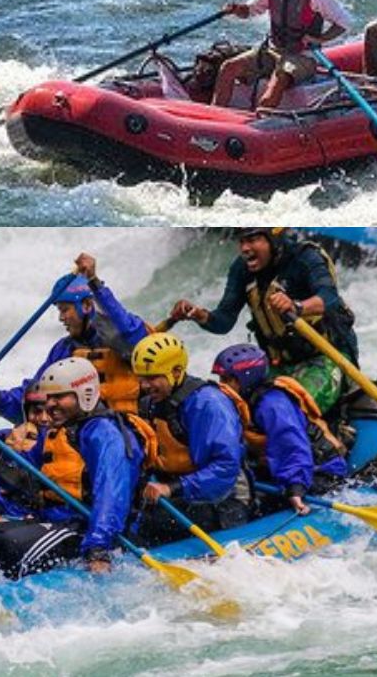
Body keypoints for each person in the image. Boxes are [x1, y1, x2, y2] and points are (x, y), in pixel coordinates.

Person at [168, 228, 358, 418]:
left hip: (325, 357)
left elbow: (329, 297)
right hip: (278, 362)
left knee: (287, 413)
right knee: (236, 407)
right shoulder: (241, 269)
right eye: (242, 241)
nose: (245, 248)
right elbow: (223, 322)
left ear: (274, 239)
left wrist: (297, 306)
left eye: (253, 240)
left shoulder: (305, 258)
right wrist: (199, 315)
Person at [0, 252, 151, 422]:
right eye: (59, 311)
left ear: (87, 306)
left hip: (127, 431)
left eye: (65, 309)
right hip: (82, 434)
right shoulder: (64, 350)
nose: (61, 318)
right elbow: (34, 397)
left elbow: (134, 334)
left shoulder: (122, 337)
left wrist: (94, 282)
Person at [17, 357, 153, 574]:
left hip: (86, 530)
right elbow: (26, 471)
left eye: (59, 396)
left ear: (84, 394)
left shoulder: (106, 434)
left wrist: (98, 548)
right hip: (56, 520)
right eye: (49, 397)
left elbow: (111, 493)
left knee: (7, 545)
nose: (50, 404)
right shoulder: (57, 430)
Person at [131, 333, 250, 543]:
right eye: (141, 378)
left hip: (223, 499)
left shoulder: (209, 404)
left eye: (152, 378)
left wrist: (173, 488)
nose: (145, 386)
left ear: (177, 372)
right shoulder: (151, 402)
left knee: (150, 525)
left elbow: (225, 467)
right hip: (178, 492)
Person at [212, 0, 353, 112]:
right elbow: (252, 9)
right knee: (229, 67)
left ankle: (260, 124)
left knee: (278, 80)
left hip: (302, 56)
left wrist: (320, 39)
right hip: (273, 50)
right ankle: (215, 114)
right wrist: (237, 9)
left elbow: (344, 22)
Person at [212, 344, 347, 515]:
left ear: (245, 378)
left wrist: (295, 488)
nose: (222, 386)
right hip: (283, 468)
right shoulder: (245, 402)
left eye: (226, 380)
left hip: (317, 472)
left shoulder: (272, 405)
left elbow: (292, 446)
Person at [0, 386, 51, 520]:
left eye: (50, 412)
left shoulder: (68, 442)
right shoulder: (4, 438)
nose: (44, 419)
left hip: (41, 514)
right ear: (26, 414)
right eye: (37, 412)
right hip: (7, 506)